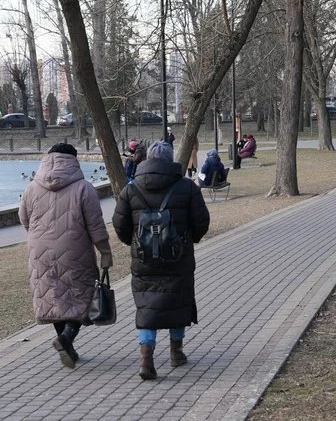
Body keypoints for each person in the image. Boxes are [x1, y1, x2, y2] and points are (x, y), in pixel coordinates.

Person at [112, 141, 210, 380]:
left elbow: (119, 225)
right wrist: (189, 240)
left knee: (147, 307)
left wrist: (136, 243)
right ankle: (176, 352)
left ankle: (146, 356)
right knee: (178, 301)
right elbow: (201, 222)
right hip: (178, 258)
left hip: (144, 260)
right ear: (170, 159)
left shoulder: (130, 190)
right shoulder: (187, 188)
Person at [18, 143, 113, 369]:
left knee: (54, 297)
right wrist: (105, 252)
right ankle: (66, 338)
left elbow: (23, 218)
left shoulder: (31, 188)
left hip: (39, 251)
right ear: (73, 160)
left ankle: (67, 345)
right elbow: (96, 226)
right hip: (74, 250)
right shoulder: (83, 188)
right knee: (80, 296)